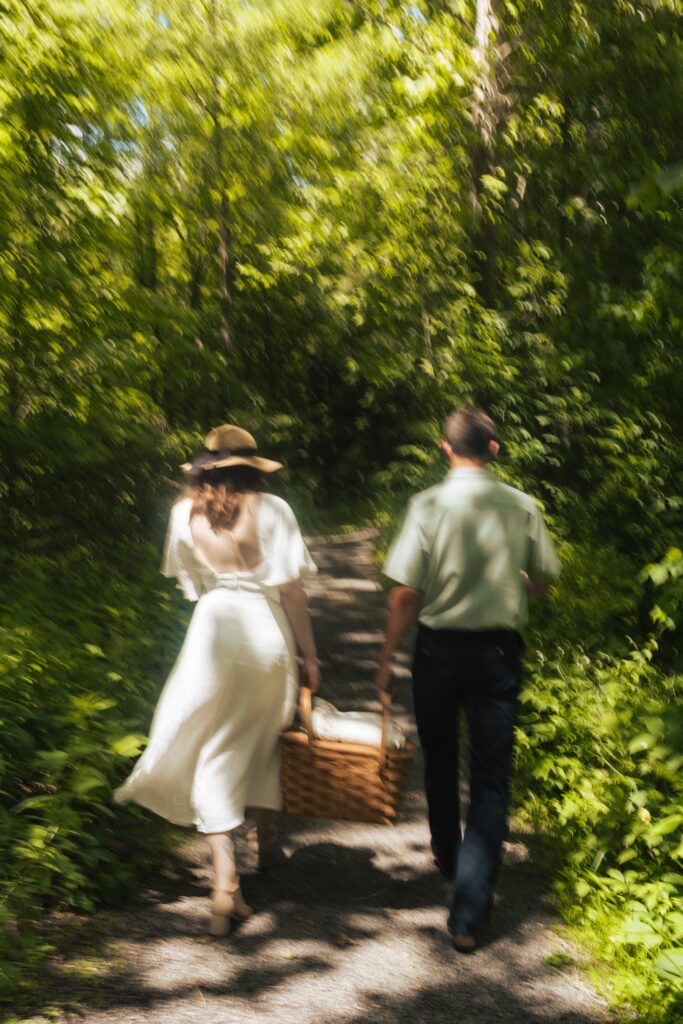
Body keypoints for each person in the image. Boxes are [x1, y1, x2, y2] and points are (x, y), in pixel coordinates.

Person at [115, 424, 319, 937]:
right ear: (253, 467)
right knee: (249, 740)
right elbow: (291, 589)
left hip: (213, 630)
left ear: (205, 468)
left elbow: (194, 583)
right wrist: (311, 655)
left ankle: (227, 876)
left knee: (213, 743)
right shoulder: (273, 510)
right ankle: (238, 868)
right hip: (265, 634)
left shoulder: (183, 513)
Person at [374, 407, 560, 953]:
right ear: (495, 449)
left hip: (437, 651)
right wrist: (518, 583)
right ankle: (469, 915)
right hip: (497, 654)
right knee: (490, 777)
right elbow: (545, 582)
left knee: (439, 756)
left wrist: (386, 656)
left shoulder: (426, 505)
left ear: (444, 448)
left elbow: (407, 591)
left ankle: (449, 859)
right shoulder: (522, 506)